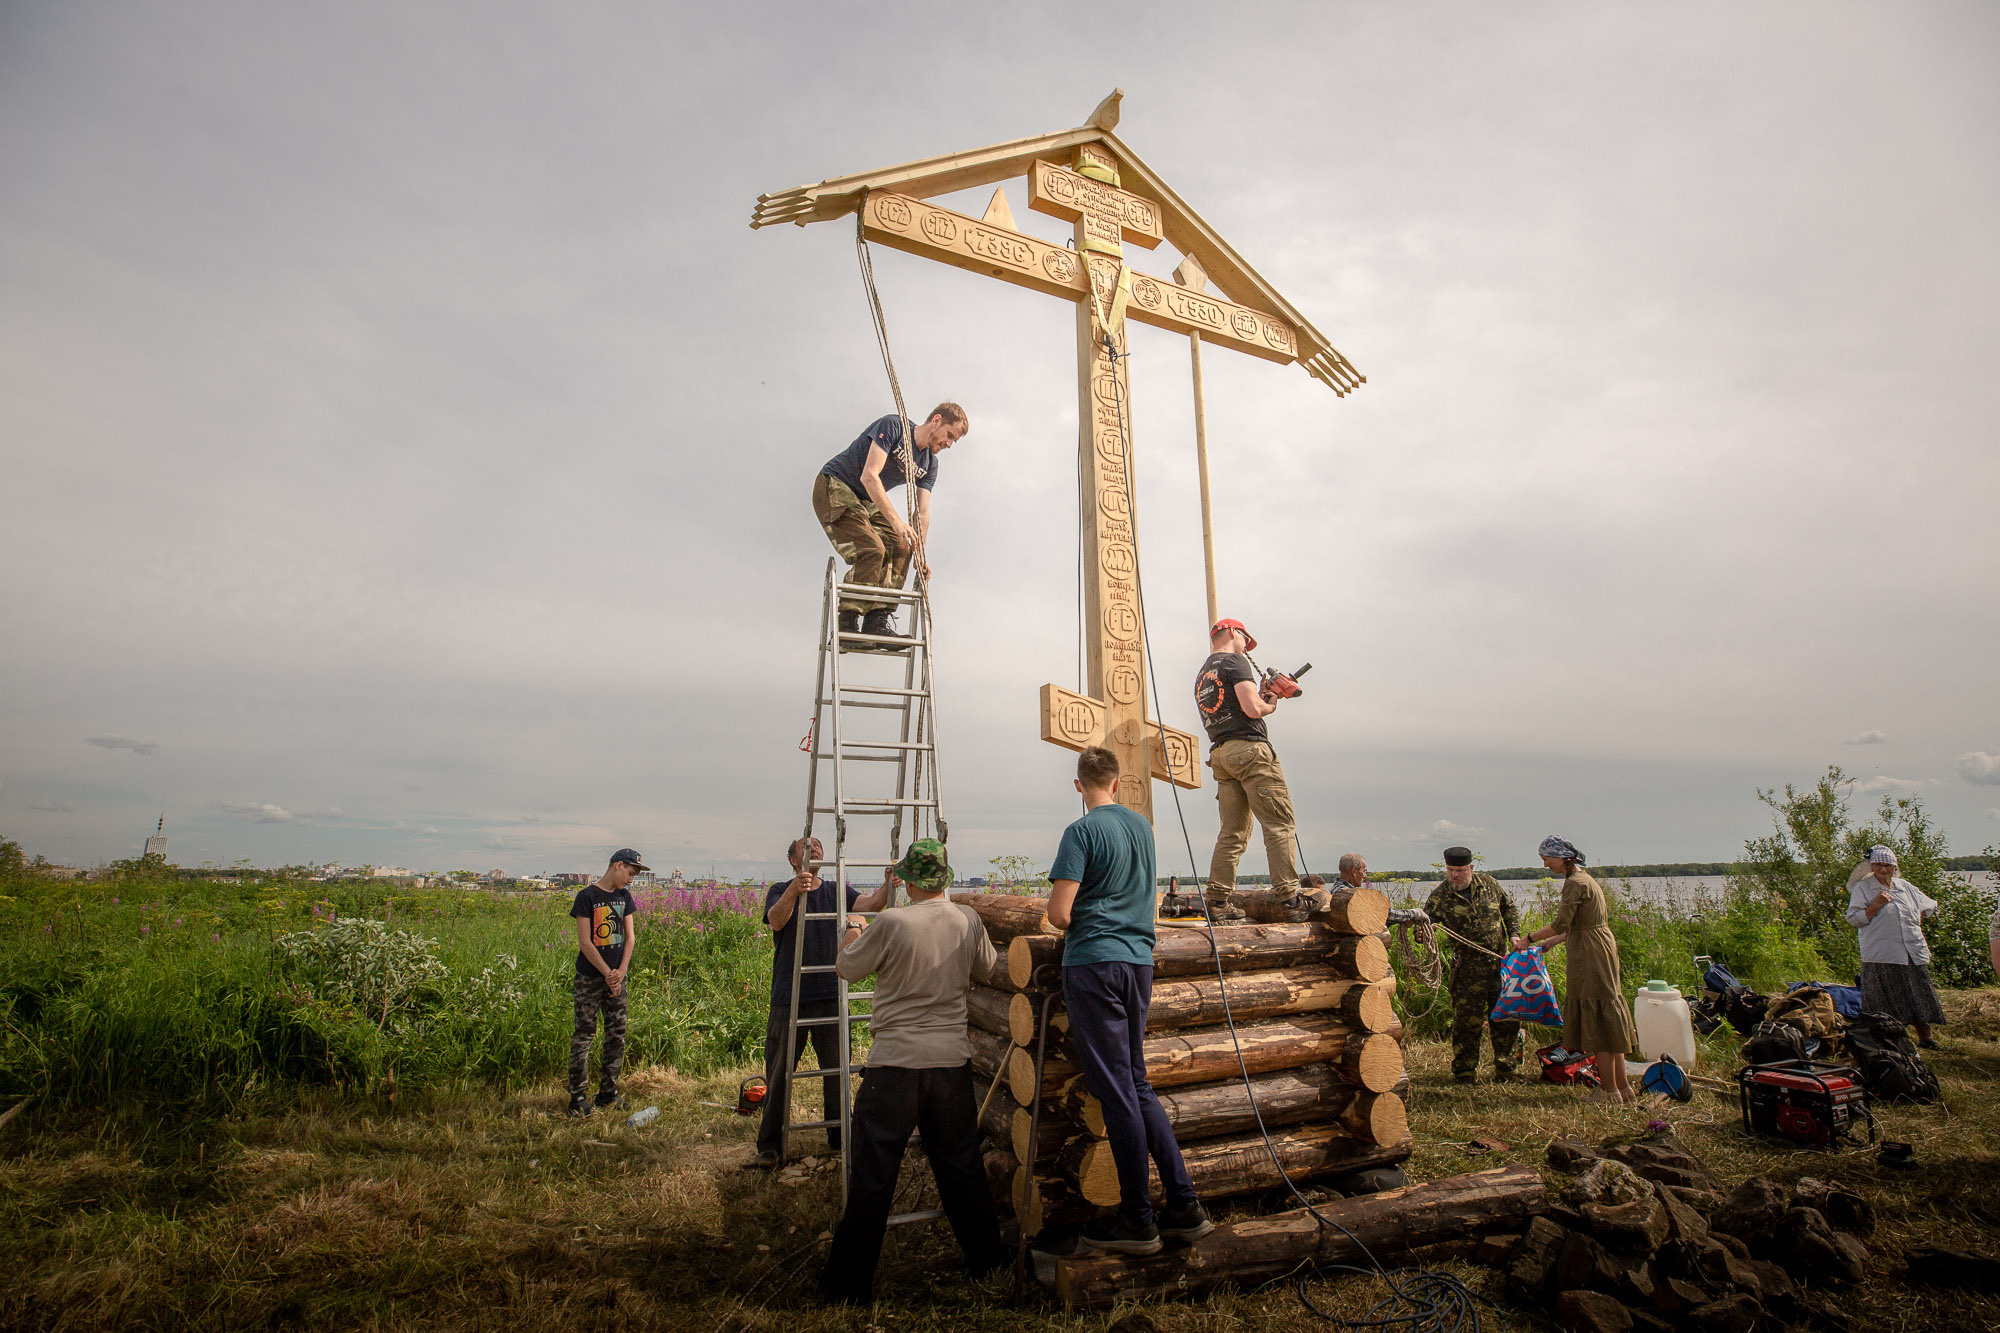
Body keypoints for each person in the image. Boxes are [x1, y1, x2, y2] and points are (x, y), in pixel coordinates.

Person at [820, 839, 1006, 1305]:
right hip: (950, 1064)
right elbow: (987, 967)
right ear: (943, 878)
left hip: (895, 1066)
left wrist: (853, 926)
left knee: (874, 1175)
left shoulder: (892, 922)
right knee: (962, 1168)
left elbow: (846, 967)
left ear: (907, 881)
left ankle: (847, 1288)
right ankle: (987, 1263)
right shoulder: (968, 919)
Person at [1047, 746, 1214, 1255]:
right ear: (1117, 783)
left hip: (1094, 963)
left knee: (1116, 1091)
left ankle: (1138, 1220)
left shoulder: (1081, 832)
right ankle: (1183, 1205)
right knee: (1137, 1083)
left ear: (1079, 785)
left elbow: (1059, 914)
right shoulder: (1142, 828)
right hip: (1139, 962)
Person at [751, 835, 891, 1169]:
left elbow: (871, 906)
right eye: (806, 846)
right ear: (792, 859)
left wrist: (888, 883)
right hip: (790, 996)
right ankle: (770, 1146)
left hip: (830, 993)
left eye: (818, 845)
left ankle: (840, 1136)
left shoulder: (836, 890)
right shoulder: (780, 889)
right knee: (780, 1072)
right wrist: (794, 891)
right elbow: (776, 920)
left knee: (837, 1070)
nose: (814, 848)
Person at [1194, 618, 1323, 923]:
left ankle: (1218, 901)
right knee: (1279, 823)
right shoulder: (1235, 662)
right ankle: (1291, 900)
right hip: (1250, 750)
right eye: (1245, 640)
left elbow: (1235, 705)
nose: (1245, 647)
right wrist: (1270, 705)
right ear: (1233, 632)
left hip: (1221, 755)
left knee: (1233, 832)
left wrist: (1257, 695)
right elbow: (1252, 709)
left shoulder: (1204, 673)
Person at [813, 404, 969, 640]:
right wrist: (896, 521)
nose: (948, 444)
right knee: (873, 549)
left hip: (866, 501)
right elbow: (869, 476)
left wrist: (920, 555)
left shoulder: (929, 464)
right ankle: (847, 621)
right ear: (936, 420)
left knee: (904, 546)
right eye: (949, 435)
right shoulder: (894, 427)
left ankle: (877, 620)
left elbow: (922, 512)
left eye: (953, 441)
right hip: (836, 484)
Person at [1512, 836, 1635, 1104]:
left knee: (1598, 1020)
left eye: (1547, 859)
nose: (1545, 865)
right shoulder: (1585, 879)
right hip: (1599, 946)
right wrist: (1552, 942)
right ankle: (1623, 1089)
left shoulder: (1574, 884)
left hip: (1590, 954)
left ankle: (1608, 1091)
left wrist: (1528, 939)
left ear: (1562, 857)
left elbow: (1560, 923)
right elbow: (1577, 925)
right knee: (1608, 1015)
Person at [1424, 846, 1523, 1084]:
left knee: (1506, 1019)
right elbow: (1425, 926)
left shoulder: (1489, 885)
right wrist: (1425, 932)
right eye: (1450, 870)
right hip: (1466, 969)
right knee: (1466, 1023)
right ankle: (1465, 1072)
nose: (1454, 875)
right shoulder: (1440, 896)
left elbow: (1509, 908)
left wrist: (1514, 935)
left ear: (1471, 868)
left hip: (1499, 965)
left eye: (1459, 870)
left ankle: (1506, 1070)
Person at [568, 849, 645, 1118]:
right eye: (630, 873)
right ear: (618, 865)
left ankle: (608, 1094)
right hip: (589, 979)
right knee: (584, 1036)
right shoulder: (587, 897)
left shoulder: (624, 897)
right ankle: (578, 1097)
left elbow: (630, 937)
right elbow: (585, 942)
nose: (631, 879)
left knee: (616, 1035)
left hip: (618, 979)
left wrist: (620, 973)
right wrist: (607, 974)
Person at [1846, 845, 1945, 1048]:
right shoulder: (1863, 888)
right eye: (1878, 865)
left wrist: (1916, 915)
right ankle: (1885, 1041)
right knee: (1882, 999)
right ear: (1871, 866)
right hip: (1881, 953)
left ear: (1894, 867)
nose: (1883, 869)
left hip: (1911, 950)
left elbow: (1929, 905)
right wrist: (1875, 906)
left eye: (1887, 865)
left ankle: (1926, 1038)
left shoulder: (1904, 886)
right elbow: (1853, 919)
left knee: (1918, 994)